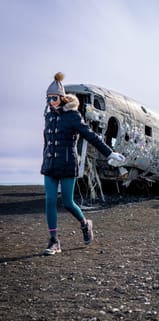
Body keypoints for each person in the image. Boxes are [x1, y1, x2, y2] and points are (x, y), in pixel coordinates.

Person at [41, 72, 125, 256]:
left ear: (62, 98)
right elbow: (47, 141)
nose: (50, 102)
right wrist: (45, 158)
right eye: (48, 99)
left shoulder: (73, 116)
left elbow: (90, 136)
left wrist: (109, 153)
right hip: (50, 164)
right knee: (50, 201)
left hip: (67, 163)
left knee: (68, 202)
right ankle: (54, 241)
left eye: (53, 98)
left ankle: (85, 224)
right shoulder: (48, 117)